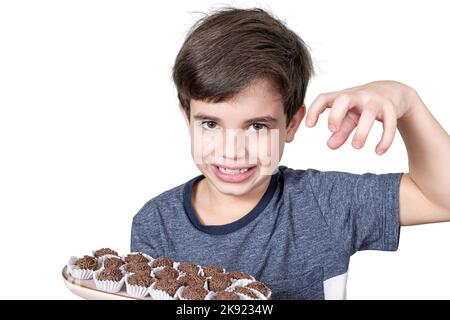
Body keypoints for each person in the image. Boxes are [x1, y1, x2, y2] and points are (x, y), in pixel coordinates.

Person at [130, 7, 450, 299]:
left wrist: (408, 101)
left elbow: (441, 198)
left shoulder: (321, 203)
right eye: (211, 124)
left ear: (291, 124)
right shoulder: (156, 224)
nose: (231, 150)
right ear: (187, 119)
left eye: (257, 127)